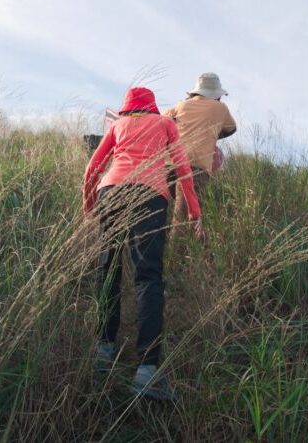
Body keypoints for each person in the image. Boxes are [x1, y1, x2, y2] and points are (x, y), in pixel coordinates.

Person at [83, 86, 202, 400]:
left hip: (111, 193)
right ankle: (146, 370)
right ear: (152, 107)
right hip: (150, 197)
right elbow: (182, 170)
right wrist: (193, 211)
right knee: (148, 278)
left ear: (126, 109)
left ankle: (103, 351)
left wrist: (89, 202)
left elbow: (93, 167)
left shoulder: (118, 126)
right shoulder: (165, 124)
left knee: (108, 270)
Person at [164, 72, 237, 222]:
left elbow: (161, 122)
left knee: (165, 211)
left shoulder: (180, 105)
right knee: (183, 217)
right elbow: (231, 128)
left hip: (168, 164)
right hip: (195, 166)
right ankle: (178, 246)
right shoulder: (220, 108)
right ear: (217, 94)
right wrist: (212, 135)